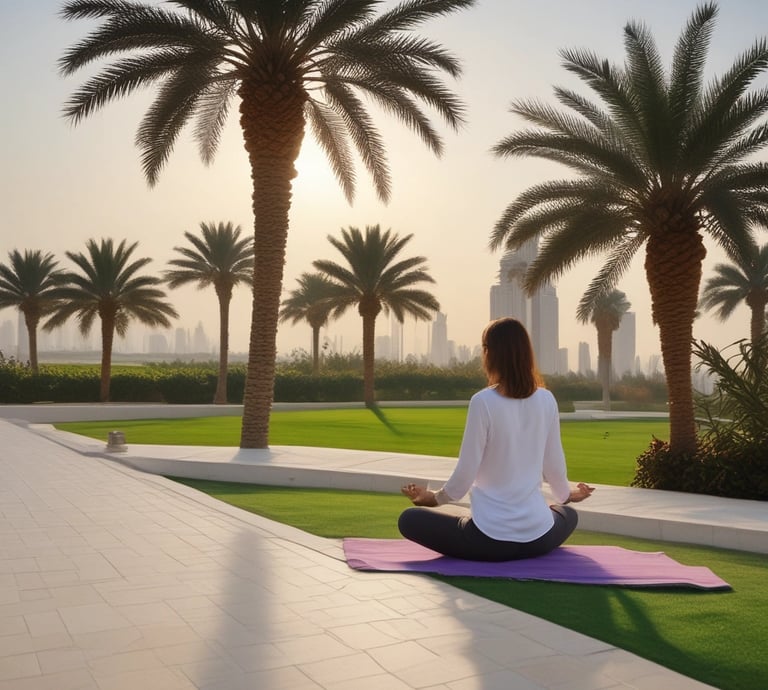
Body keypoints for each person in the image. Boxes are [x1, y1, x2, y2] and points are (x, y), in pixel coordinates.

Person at [399, 317, 594, 561]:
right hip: (538, 540)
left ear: (490, 354)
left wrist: (434, 498)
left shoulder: (483, 402)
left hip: (489, 541)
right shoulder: (547, 400)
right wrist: (567, 495)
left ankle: (476, 524)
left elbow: (466, 471)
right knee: (569, 514)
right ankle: (544, 515)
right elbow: (554, 464)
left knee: (409, 519)